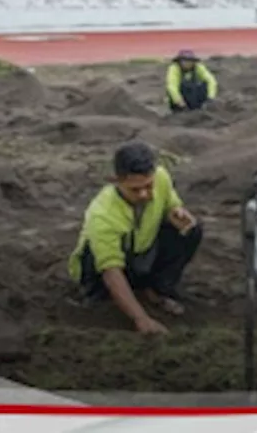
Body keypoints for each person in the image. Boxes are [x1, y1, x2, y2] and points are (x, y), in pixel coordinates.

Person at [69, 142, 203, 336]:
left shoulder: (161, 178)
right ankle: (102, 298)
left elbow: (172, 202)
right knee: (100, 262)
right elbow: (110, 270)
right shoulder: (102, 213)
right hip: (99, 270)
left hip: (139, 252)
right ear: (117, 181)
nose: (143, 194)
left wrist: (177, 211)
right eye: (134, 189)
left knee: (192, 230)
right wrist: (141, 319)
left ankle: (156, 289)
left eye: (148, 186)